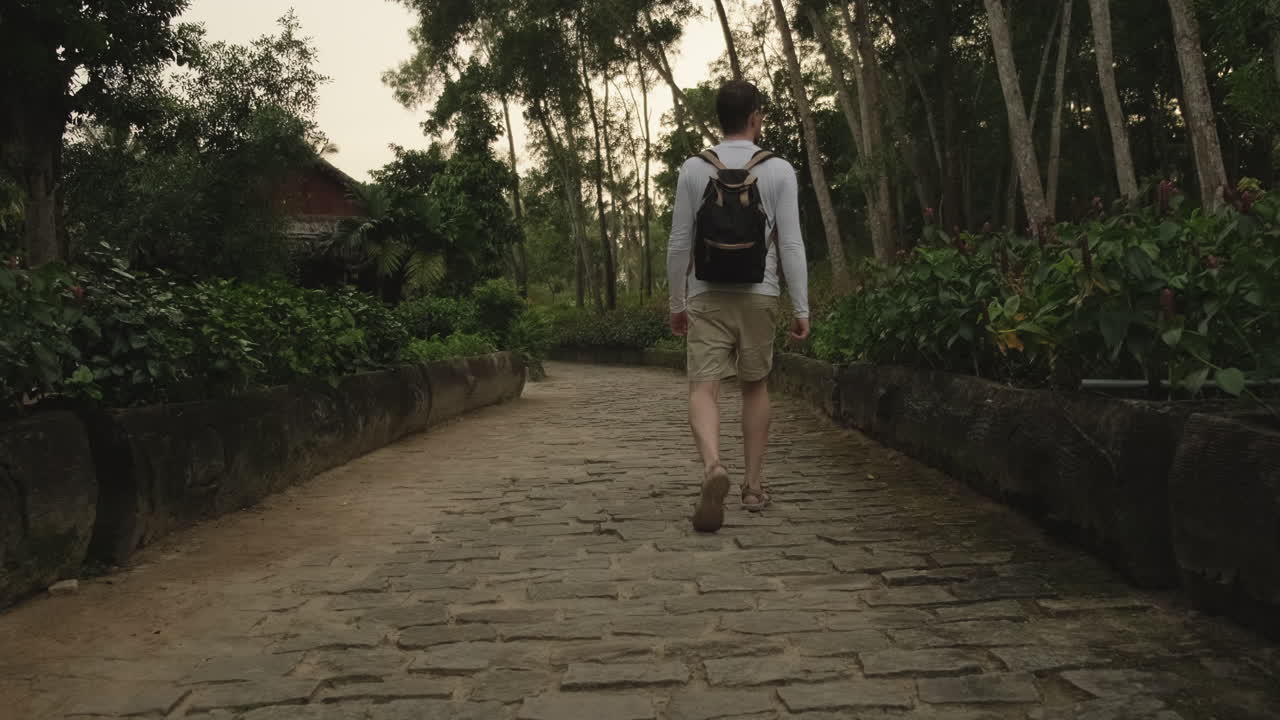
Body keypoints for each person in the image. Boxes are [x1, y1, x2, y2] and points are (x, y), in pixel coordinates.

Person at [666, 80, 810, 533]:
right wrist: (801, 306)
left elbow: (678, 244)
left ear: (718, 119)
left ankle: (712, 466)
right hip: (759, 292)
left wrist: (677, 302)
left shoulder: (693, 168)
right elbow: (790, 243)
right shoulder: (778, 169)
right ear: (755, 117)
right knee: (755, 386)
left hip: (706, 292)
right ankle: (752, 486)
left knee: (703, 387)